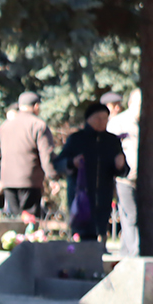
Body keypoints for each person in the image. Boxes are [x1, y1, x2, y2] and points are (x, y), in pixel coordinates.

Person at [54, 101, 128, 242]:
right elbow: (58, 164)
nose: (102, 122)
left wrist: (120, 166)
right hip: (81, 198)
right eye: (98, 118)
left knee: (100, 234)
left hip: (103, 198)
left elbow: (123, 171)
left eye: (105, 118)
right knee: (83, 236)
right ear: (88, 119)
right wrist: (72, 162)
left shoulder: (112, 141)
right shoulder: (76, 139)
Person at [0, 91, 55, 217]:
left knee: (15, 219)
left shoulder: (5, 126)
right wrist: (52, 177)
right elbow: (46, 154)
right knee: (30, 219)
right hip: (30, 180)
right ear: (36, 106)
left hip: (8, 181)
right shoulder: (38, 125)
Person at [106, 90, 141, 254]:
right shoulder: (119, 123)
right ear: (130, 104)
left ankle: (126, 252)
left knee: (134, 217)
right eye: (139, 104)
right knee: (130, 216)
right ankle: (134, 253)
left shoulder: (150, 123)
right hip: (125, 178)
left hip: (144, 178)